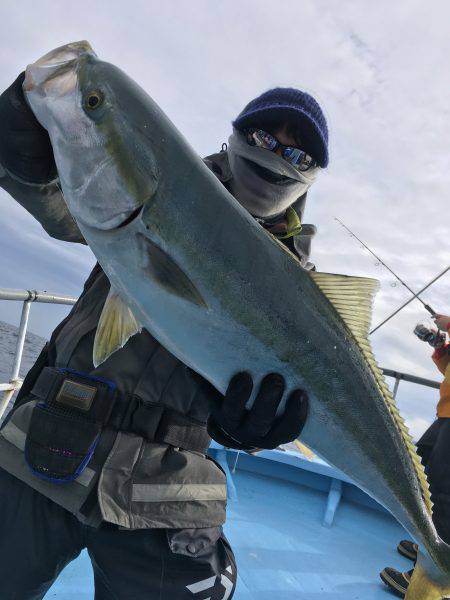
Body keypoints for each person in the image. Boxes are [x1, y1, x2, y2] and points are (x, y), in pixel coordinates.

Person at [0, 69, 329, 599]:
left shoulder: (306, 297)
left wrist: (249, 425)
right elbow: (62, 203)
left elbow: (268, 391)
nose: (278, 157)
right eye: (267, 137)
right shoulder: (148, 182)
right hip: (45, 436)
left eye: (300, 155)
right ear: (239, 134)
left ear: (312, 175)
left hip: (167, 484)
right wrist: (19, 141)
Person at [380, 314, 450, 598]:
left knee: (445, 491)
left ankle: (435, 573)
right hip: (446, 412)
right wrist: (440, 347)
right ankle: (430, 546)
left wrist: (447, 323)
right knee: (422, 473)